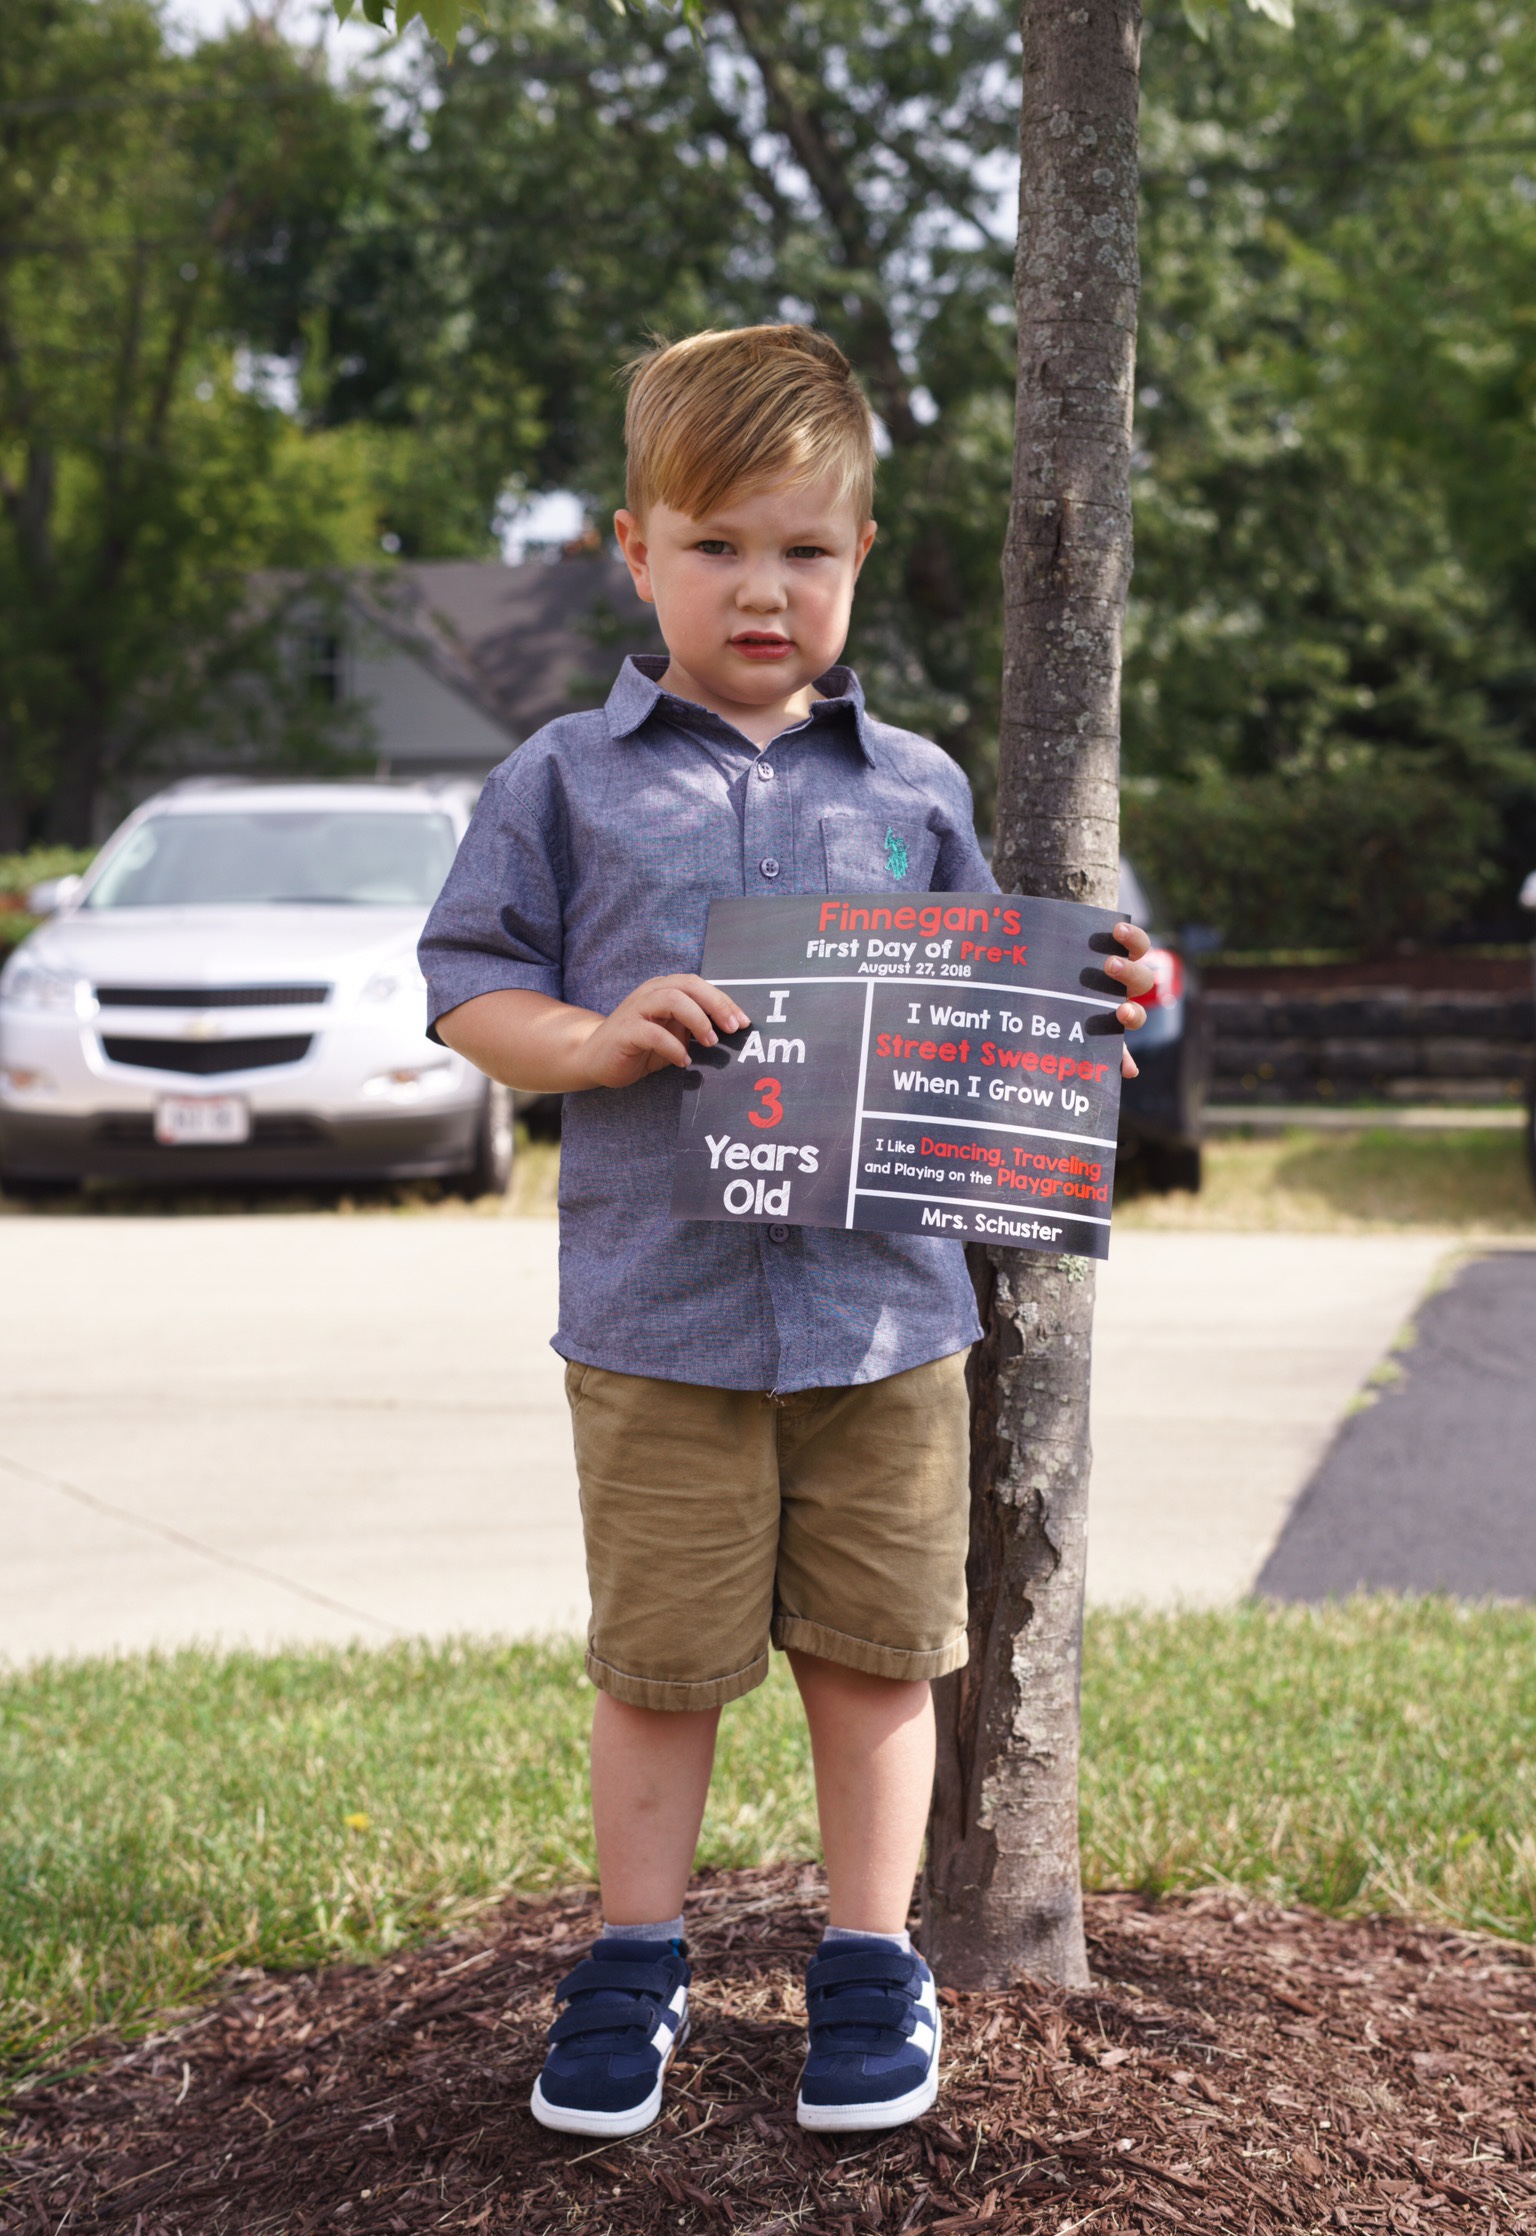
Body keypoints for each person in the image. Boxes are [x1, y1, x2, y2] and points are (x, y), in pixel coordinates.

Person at [419, 325, 1153, 2140]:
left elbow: (1001, 1008)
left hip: (886, 1322)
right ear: (635, 548)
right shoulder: (563, 782)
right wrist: (590, 1039)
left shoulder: (913, 793)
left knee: (878, 1655)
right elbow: (464, 983)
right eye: (720, 545)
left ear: (862, 561)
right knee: (661, 1664)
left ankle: (868, 1959)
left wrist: (1105, 999)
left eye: (805, 551)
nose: (764, 588)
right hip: (655, 1317)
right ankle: (633, 1958)